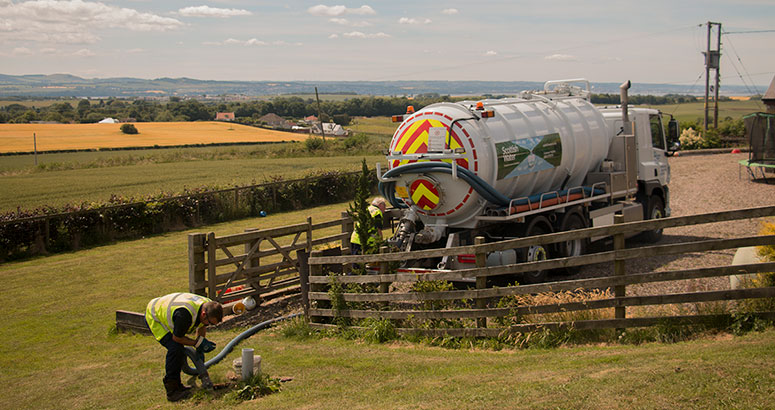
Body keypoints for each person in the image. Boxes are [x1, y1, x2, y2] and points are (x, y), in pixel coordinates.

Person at [145, 292, 223, 402]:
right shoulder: (185, 315)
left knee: (179, 348)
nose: (208, 325)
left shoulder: (207, 304)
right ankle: (172, 391)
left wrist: (200, 344)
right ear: (204, 314)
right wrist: (196, 343)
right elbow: (177, 338)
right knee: (175, 348)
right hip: (155, 316)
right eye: (209, 322)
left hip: (170, 309)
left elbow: (202, 326)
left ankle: (179, 386)